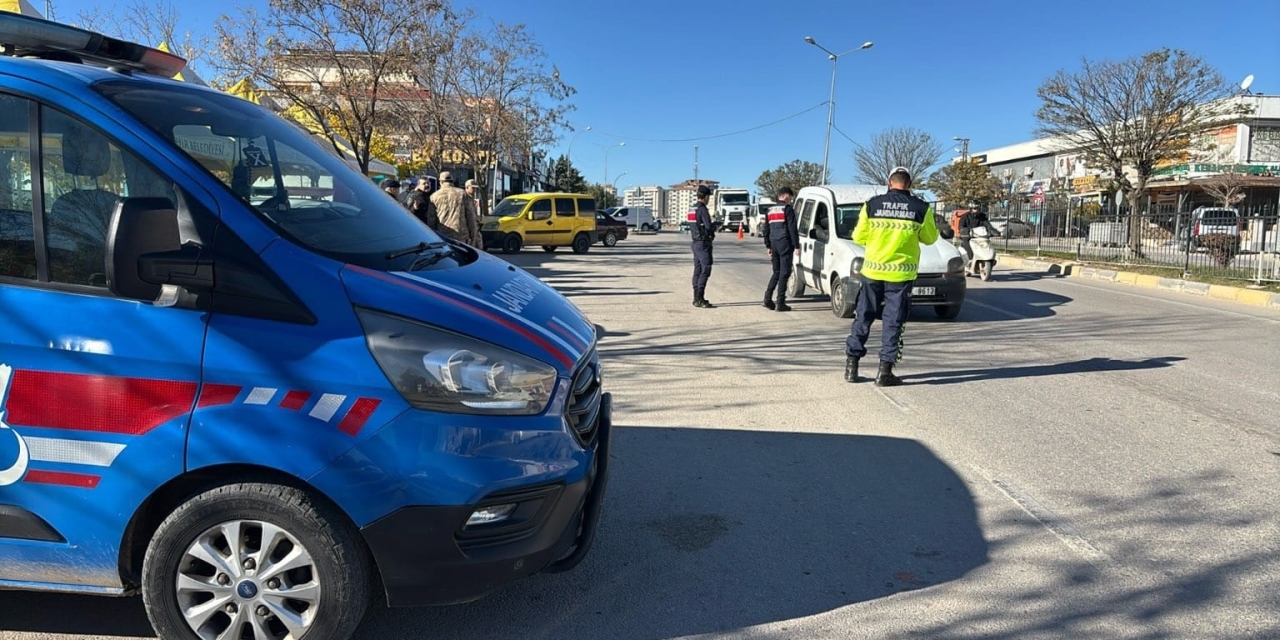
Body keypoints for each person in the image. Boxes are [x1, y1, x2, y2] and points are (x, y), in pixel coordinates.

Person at [845, 167, 939, 387]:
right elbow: (930, 239)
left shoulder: (872, 205)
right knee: (893, 322)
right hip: (900, 274)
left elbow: (858, 236)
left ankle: (852, 366)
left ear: (889, 182)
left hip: (871, 271)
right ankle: (884, 372)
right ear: (910, 183)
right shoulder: (921, 208)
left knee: (863, 316)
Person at [762, 186, 800, 311]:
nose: (790, 200)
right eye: (790, 197)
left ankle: (767, 299)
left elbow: (766, 229)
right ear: (786, 195)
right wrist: (796, 246)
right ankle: (780, 302)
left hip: (774, 243)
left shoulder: (770, 210)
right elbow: (792, 228)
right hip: (785, 243)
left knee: (776, 272)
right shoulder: (787, 209)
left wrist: (768, 245)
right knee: (784, 273)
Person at [688, 184, 719, 308]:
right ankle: (699, 298)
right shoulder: (702, 209)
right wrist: (716, 226)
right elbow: (708, 226)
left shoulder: (692, 208)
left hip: (695, 242)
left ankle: (696, 297)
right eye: (708, 197)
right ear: (705, 197)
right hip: (703, 243)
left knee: (697, 270)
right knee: (705, 270)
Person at [430, 171, 481, 246]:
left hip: (442, 235)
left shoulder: (434, 196)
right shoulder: (462, 194)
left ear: (440, 182)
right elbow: (471, 217)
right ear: (452, 181)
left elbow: (431, 220)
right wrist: (473, 237)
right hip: (461, 236)